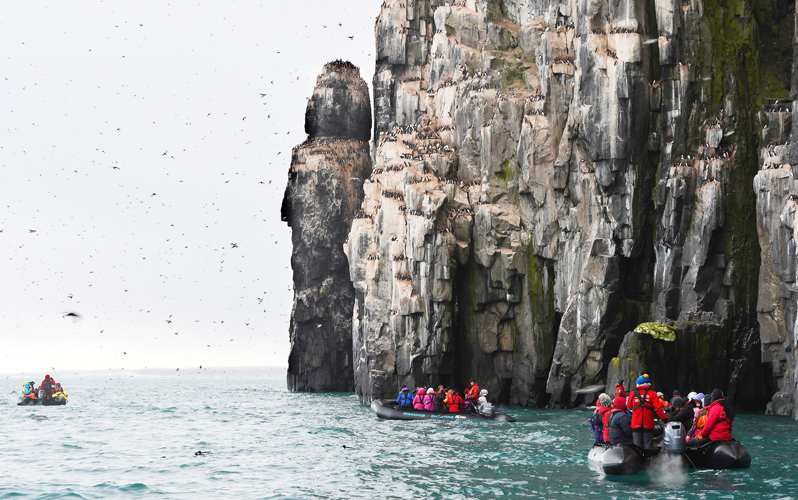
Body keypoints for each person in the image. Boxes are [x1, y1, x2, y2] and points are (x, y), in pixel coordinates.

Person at [626, 374, 668, 450]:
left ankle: (638, 460)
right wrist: (665, 420)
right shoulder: (653, 394)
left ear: (639, 383)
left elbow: (629, 406)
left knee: (637, 445)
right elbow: (659, 409)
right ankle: (648, 460)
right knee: (648, 445)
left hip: (636, 424)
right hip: (648, 423)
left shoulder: (632, 393)